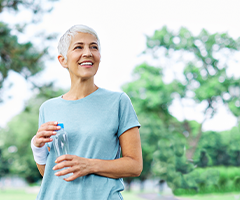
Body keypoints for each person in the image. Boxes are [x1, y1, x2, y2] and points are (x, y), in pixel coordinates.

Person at [31, 24, 142, 200]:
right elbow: (54, 175)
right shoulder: (48, 108)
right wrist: (37, 148)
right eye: (78, 47)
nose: (88, 53)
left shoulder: (118, 102)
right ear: (63, 60)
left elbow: (135, 166)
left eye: (94, 47)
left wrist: (89, 165)